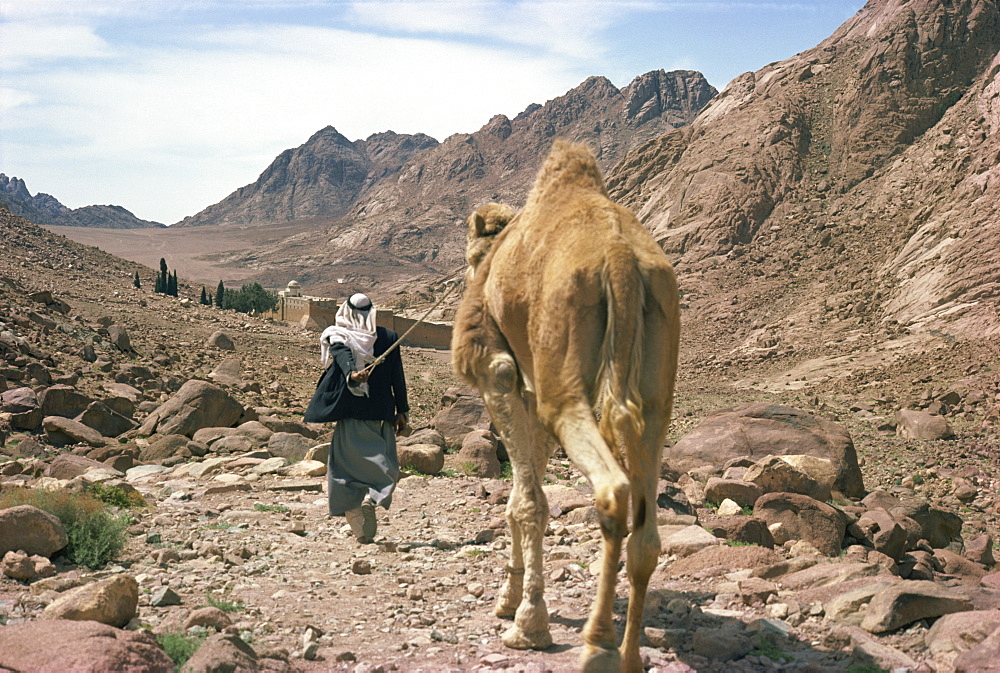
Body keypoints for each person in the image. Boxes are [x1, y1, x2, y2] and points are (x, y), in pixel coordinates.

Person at [313, 293, 409, 543]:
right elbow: (396, 376)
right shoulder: (386, 337)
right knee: (384, 464)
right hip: (381, 414)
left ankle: (358, 518)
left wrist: (353, 376)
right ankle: (370, 503)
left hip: (352, 415)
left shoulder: (338, 334)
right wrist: (402, 410)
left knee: (345, 470)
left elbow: (342, 354)